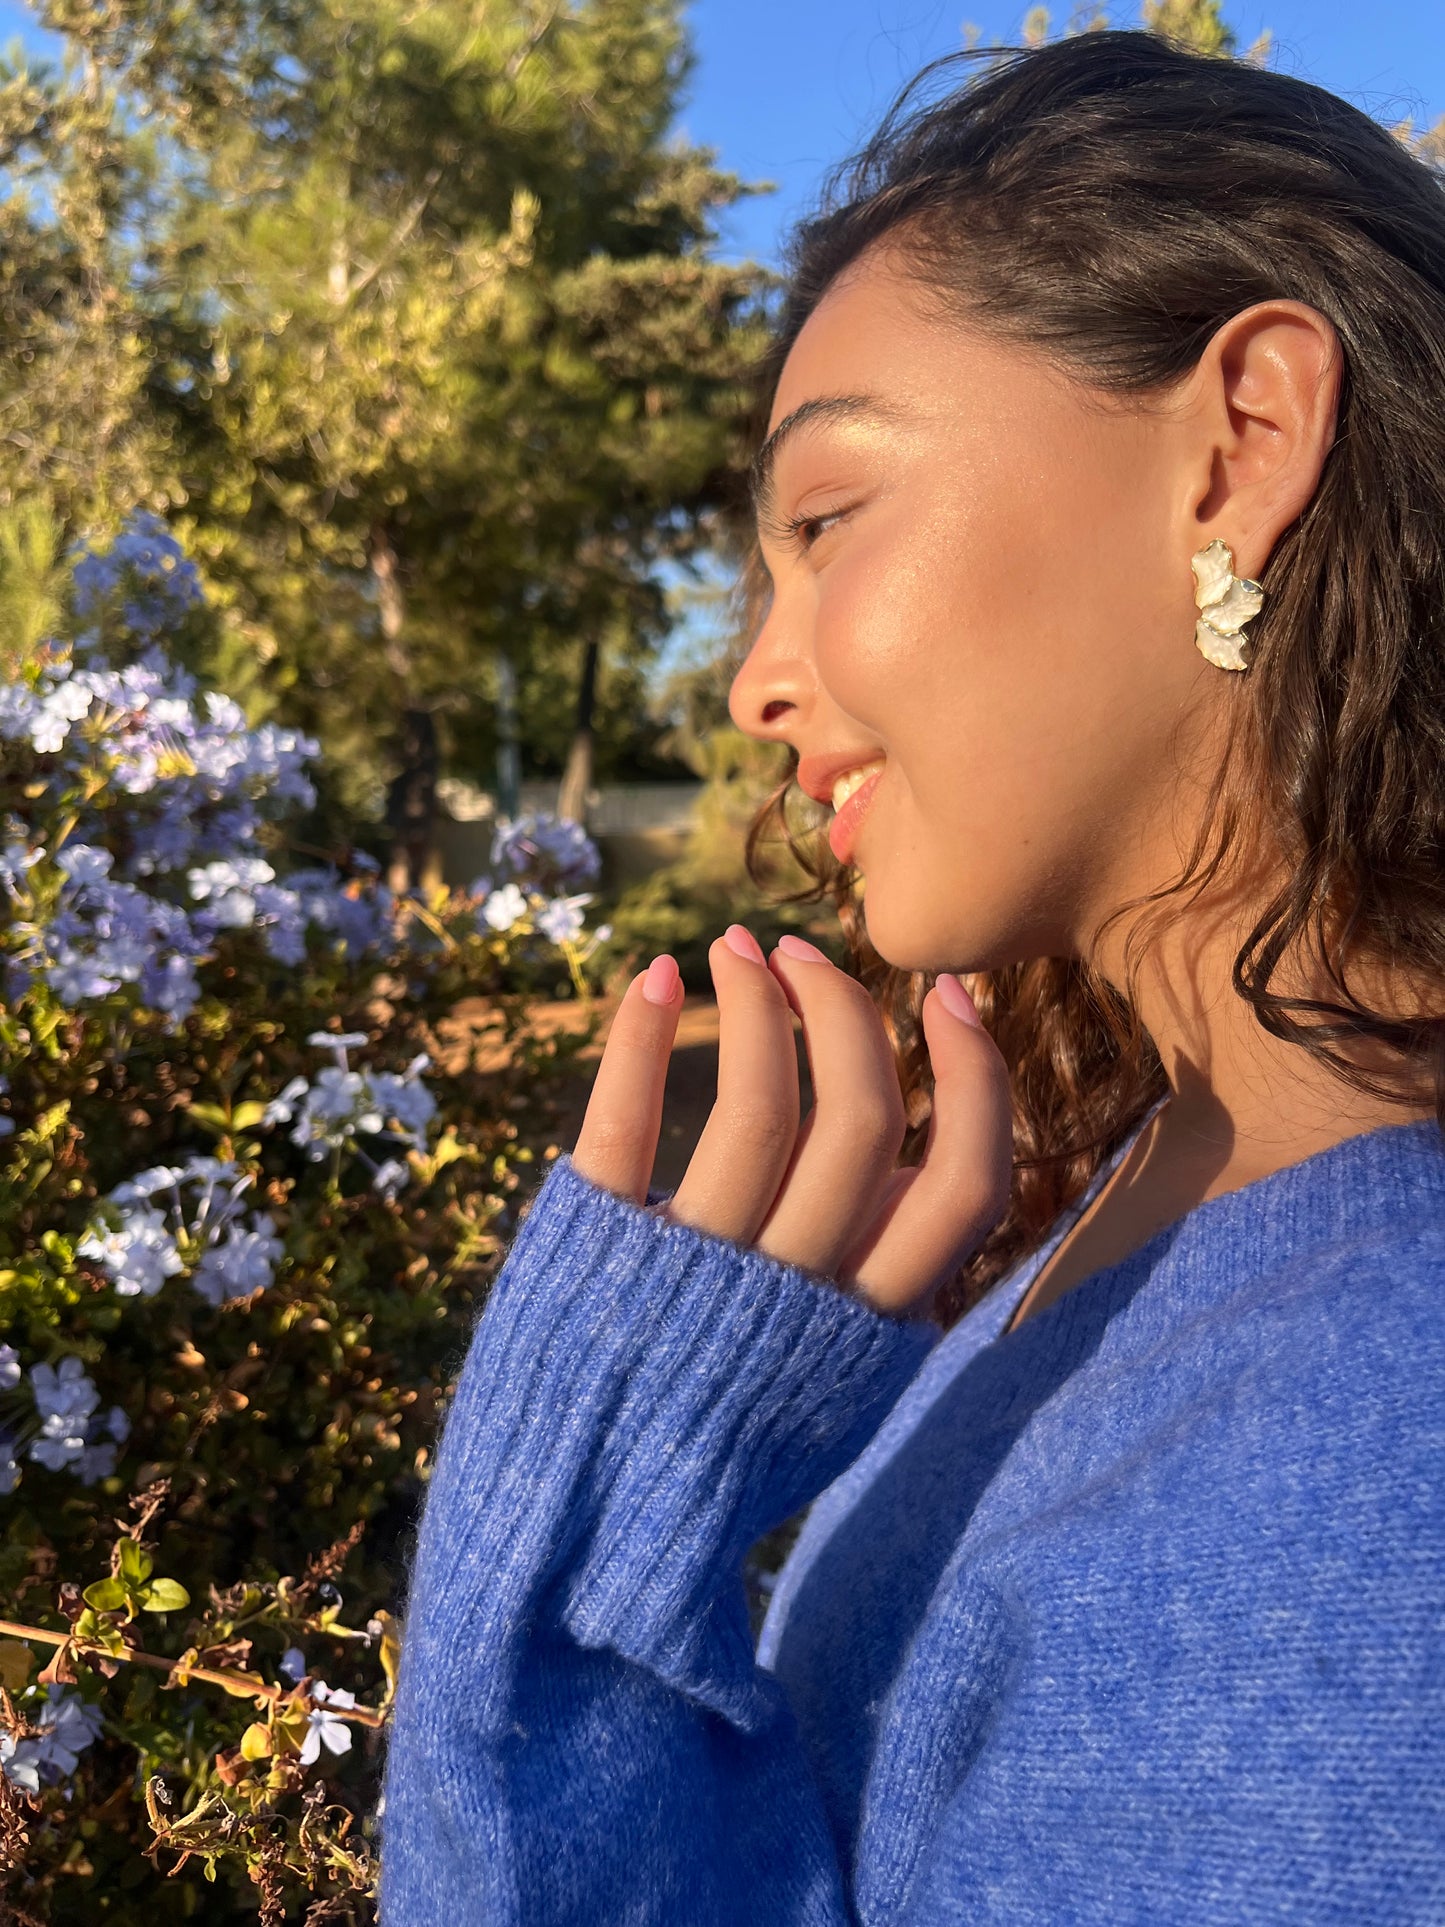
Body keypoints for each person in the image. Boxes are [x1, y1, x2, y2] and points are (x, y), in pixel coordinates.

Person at [378, 29, 1445, 1924]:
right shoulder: (1143, 1200)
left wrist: (598, 1494)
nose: (750, 682)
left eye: (827, 521)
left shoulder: (1381, 1466)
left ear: (1241, 443)